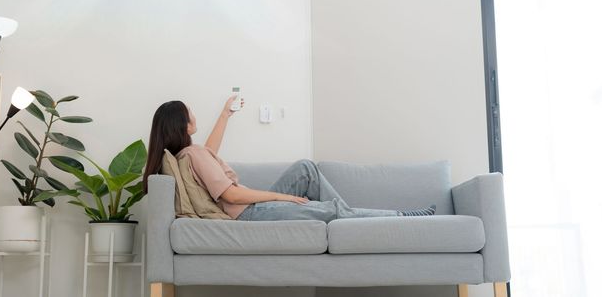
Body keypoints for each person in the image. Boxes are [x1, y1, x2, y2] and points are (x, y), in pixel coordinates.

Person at [141, 97, 435, 222]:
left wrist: (225, 114)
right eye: (189, 111)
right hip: (246, 213)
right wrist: (282, 197)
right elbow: (230, 193)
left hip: (243, 209)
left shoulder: (189, 154)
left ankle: (348, 215)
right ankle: (398, 218)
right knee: (327, 210)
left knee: (306, 170)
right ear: (182, 123)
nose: (194, 113)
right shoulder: (193, 154)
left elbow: (209, 152)